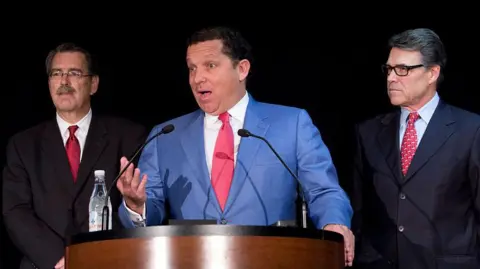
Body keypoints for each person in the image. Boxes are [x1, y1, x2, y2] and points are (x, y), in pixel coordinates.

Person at [116, 26, 355, 266]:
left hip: (273, 260)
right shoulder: (165, 136)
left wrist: (334, 224)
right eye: (192, 68)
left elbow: (323, 191)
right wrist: (137, 206)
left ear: (242, 69)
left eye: (210, 65)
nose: (198, 78)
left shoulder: (291, 124)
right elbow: (151, 211)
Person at [2, 43, 147, 269]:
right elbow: (16, 211)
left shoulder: (128, 137)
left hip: (108, 262)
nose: (64, 82)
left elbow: (135, 209)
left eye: (74, 73)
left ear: (93, 84)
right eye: (56, 74)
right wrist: (60, 259)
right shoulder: (23, 144)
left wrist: (93, 255)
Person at [352, 28, 480, 269]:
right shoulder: (367, 133)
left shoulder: (471, 130)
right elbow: (359, 211)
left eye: (403, 69)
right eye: (389, 69)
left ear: (432, 73)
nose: (391, 78)